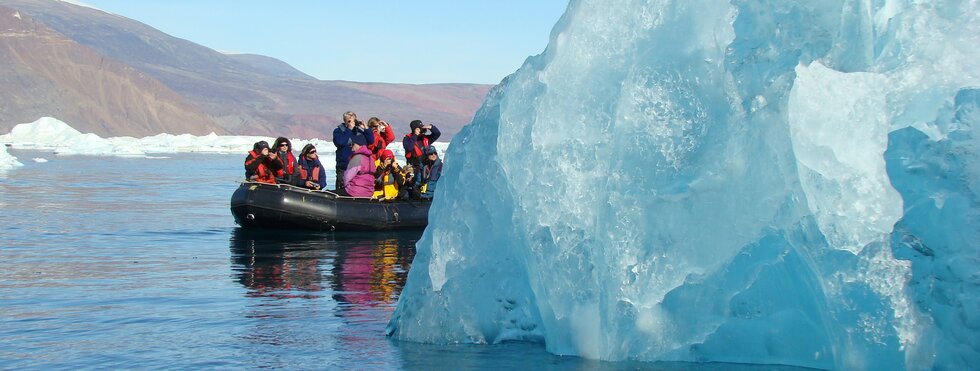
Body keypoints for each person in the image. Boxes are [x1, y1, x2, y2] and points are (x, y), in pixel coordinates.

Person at [333, 111, 375, 193]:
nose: (351, 123)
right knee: (342, 189)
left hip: (360, 168)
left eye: (352, 120)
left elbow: (371, 140)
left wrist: (366, 129)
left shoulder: (359, 131)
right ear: (344, 121)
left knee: (357, 189)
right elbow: (341, 142)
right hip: (344, 166)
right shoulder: (338, 131)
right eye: (348, 121)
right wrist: (349, 129)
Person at [402, 120, 440, 187]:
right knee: (414, 185)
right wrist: (415, 135)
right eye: (420, 128)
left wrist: (431, 127)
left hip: (425, 166)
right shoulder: (407, 139)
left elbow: (437, 134)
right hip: (413, 166)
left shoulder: (425, 139)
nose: (422, 130)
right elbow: (409, 148)